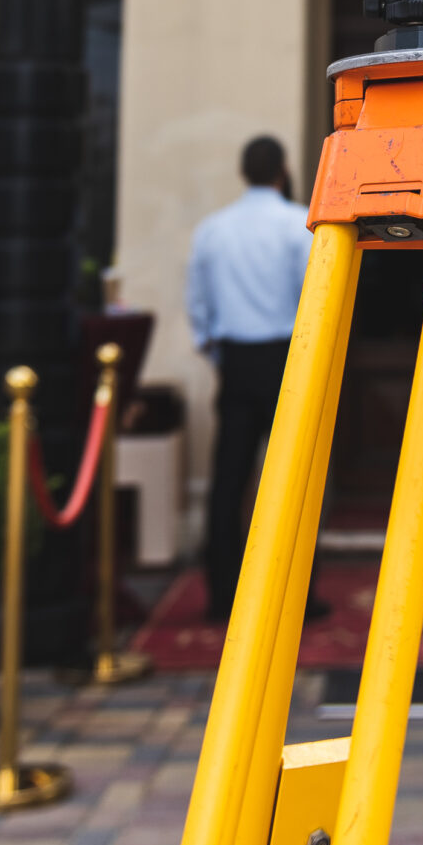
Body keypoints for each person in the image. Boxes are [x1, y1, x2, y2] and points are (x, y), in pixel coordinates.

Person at [187, 134, 325, 624]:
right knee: (292, 478)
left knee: (229, 480)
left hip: (237, 359)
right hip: (285, 357)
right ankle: (297, 594)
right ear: (282, 172)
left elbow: (197, 304)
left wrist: (216, 350)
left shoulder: (212, 230)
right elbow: (315, 294)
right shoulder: (298, 225)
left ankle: (222, 594)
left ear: (244, 173)